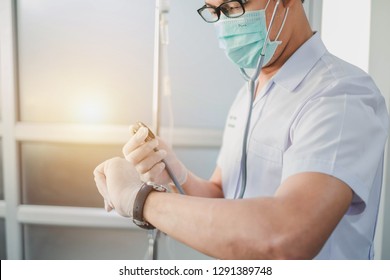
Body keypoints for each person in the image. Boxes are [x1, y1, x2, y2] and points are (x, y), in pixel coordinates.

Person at [94, 0, 389, 259]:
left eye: (235, 5)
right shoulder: (249, 93)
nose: (225, 23)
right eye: (214, 11)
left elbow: (289, 236)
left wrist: (140, 199)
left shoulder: (340, 95)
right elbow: (223, 195)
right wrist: (174, 174)